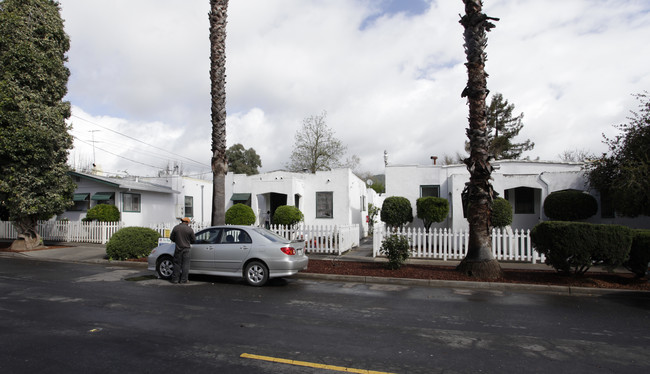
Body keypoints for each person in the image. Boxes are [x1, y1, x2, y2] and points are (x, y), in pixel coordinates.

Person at [169, 217, 196, 284]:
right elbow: (194, 240)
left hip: (178, 249)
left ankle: (175, 280)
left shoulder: (176, 228)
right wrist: (188, 241)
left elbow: (172, 238)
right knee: (185, 265)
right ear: (187, 222)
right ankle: (183, 280)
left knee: (177, 264)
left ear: (182, 221)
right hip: (186, 249)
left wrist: (177, 241)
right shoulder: (189, 229)